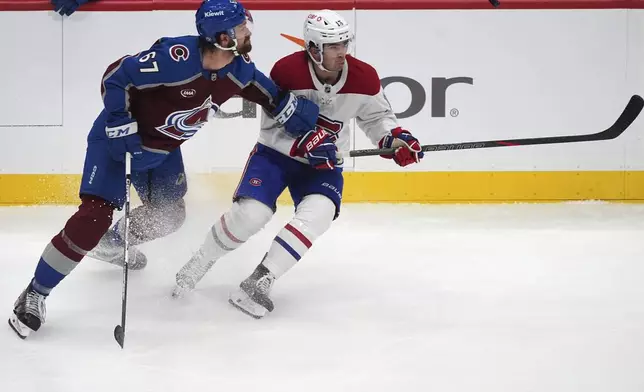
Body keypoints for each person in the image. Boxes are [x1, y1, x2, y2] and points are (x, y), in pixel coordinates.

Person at [8, 0, 320, 339]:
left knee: (171, 215)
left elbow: (275, 99)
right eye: (240, 28)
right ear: (221, 37)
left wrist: (313, 124)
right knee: (93, 216)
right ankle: (35, 292)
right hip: (117, 146)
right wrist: (119, 121)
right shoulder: (176, 59)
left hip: (161, 152)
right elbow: (117, 77)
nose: (248, 32)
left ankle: (112, 243)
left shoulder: (238, 70)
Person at [172, 9, 424, 319]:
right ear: (313, 48)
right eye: (333, 46)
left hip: (323, 164)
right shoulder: (287, 71)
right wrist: (299, 143)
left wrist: (394, 140)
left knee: (319, 213)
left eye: (344, 44)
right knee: (251, 215)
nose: (342, 52)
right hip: (276, 155)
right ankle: (200, 261)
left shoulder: (364, 76)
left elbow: (377, 118)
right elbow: (275, 116)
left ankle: (260, 280)